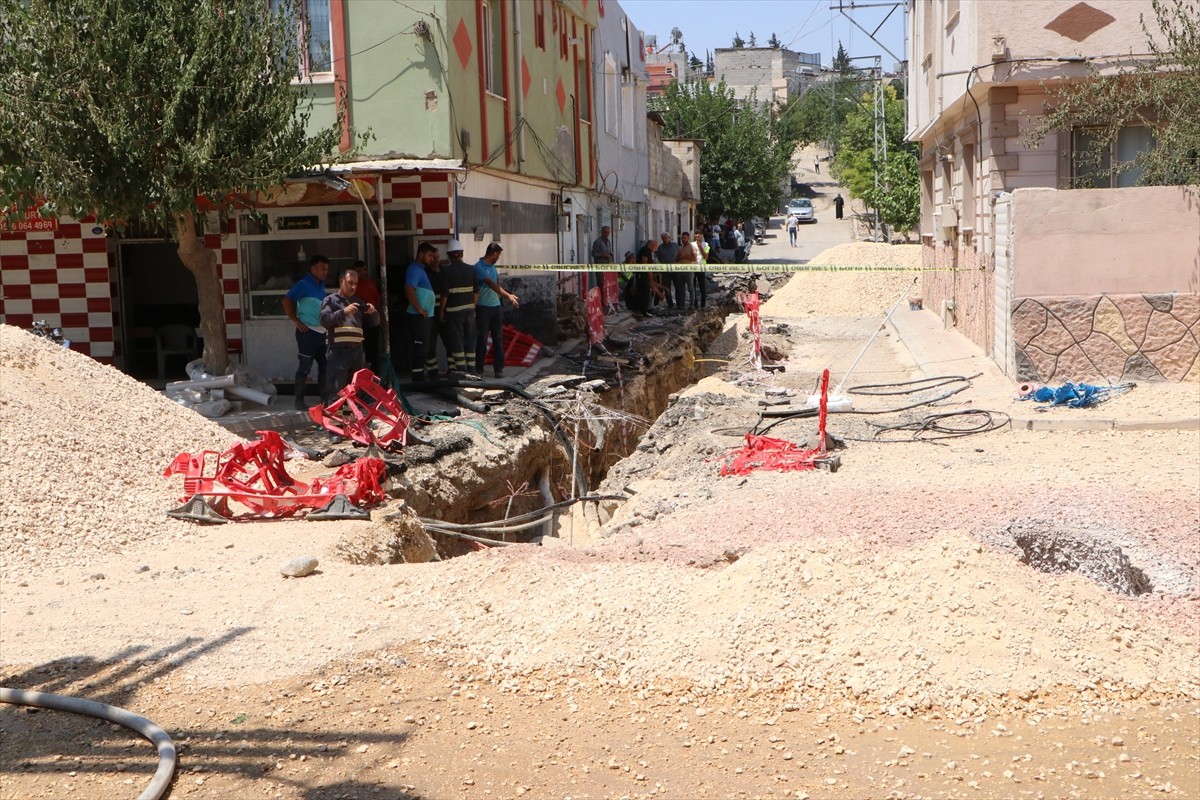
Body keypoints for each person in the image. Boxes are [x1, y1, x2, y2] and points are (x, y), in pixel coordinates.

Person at [319, 267, 380, 400]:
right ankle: (337, 419)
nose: (353, 286)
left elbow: (375, 322)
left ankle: (348, 418)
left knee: (352, 392)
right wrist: (344, 312)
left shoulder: (358, 302)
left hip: (356, 352)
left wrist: (373, 312)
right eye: (350, 282)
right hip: (338, 353)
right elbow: (324, 321)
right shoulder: (330, 301)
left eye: (356, 284)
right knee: (337, 392)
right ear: (341, 281)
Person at [282, 254, 330, 409]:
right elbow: (287, 301)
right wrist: (296, 321)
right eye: (322, 269)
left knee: (325, 367)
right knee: (305, 367)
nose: (325, 272)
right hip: (307, 333)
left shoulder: (321, 285)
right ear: (313, 268)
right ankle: (299, 401)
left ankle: (325, 401)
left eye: (326, 269)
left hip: (322, 333)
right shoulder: (302, 284)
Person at [475, 242, 520, 379]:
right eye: (498, 255)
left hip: (495, 307)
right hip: (483, 307)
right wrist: (508, 296)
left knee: (498, 339)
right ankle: (479, 369)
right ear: (493, 254)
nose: (499, 258)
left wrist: (502, 299)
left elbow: (497, 283)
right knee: (482, 339)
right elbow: (491, 284)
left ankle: (498, 369)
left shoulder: (493, 267)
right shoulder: (479, 268)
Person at [440, 239, 476, 375]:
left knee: (456, 340)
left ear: (449, 255)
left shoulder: (446, 271)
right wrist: (473, 308)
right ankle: (472, 369)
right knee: (470, 339)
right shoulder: (471, 269)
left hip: (454, 312)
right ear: (461, 254)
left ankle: (462, 371)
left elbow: (445, 295)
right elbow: (476, 292)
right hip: (470, 311)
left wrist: (442, 311)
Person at [405, 242, 439, 381]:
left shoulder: (421, 269)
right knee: (420, 347)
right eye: (429, 255)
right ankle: (418, 377)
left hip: (425, 316)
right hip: (418, 316)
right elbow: (409, 288)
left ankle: (432, 374)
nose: (431, 259)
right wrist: (419, 308)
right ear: (421, 254)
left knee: (427, 346)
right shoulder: (414, 269)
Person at [350, 260, 382, 371]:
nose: (362, 273)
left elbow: (378, 301)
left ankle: (373, 377)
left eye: (364, 270)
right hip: (357, 322)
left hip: (372, 321)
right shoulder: (352, 286)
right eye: (359, 271)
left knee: (372, 351)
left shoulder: (371, 283)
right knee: (355, 352)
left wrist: (379, 318)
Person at [693, 229, 710, 309]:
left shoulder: (706, 244)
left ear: (702, 236)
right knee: (692, 287)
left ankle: (703, 305)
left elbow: (705, 256)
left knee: (702, 287)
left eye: (699, 235)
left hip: (701, 267)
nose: (697, 237)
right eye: (696, 235)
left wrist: (700, 247)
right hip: (692, 268)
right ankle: (694, 304)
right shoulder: (691, 245)